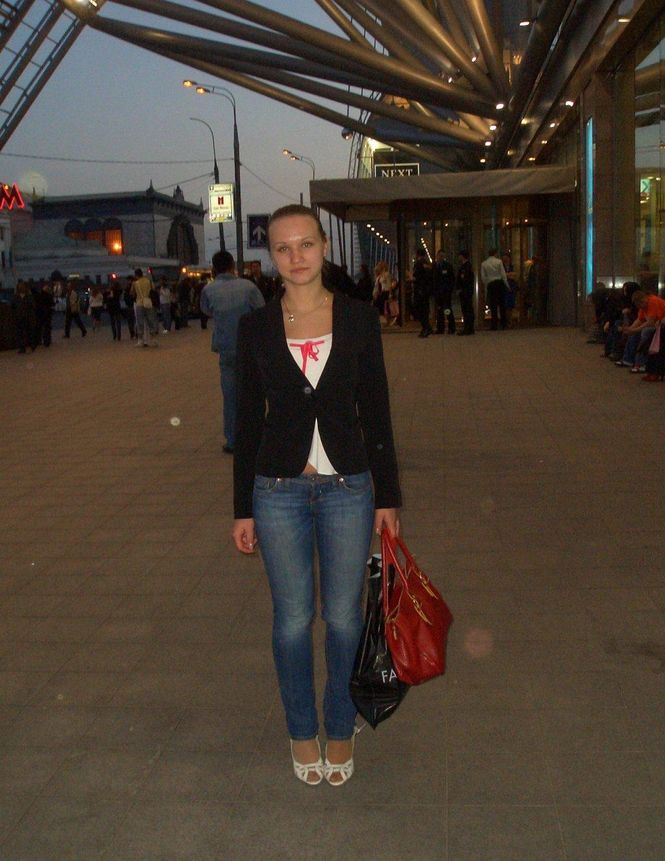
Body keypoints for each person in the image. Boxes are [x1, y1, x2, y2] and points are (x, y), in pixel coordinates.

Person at [232, 204, 401, 787]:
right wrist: (241, 508)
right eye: (283, 247)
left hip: (348, 487)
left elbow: (375, 409)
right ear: (271, 256)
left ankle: (340, 722)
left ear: (324, 246)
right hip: (277, 489)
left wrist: (387, 496)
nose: (296, 256)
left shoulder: (358, 318)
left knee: (345, 619)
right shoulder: (255, 327)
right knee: (292, 620)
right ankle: (301, 730)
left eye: (305, 243)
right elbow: (247, 421)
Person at [200, 250, 264, 454]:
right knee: (252, 394)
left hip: (226, 348)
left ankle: (232, 440)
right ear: (232, 266)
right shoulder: (249, 287)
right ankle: (255, 437)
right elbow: (261, 311)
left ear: (214, 268)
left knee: (230, 396)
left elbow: (206, 310)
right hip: (249, 349)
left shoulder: (208, 290)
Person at [481, 248, 509, 330]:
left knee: (493, 305)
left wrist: (486, 284)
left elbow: (483, 277)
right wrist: (507, 285)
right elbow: (503, 274)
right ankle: (503, 324)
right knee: (502, 304)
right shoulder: (499, 262)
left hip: (491, 284)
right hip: (499, 283)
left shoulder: (484, 263)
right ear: (495, 254)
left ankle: (494, 324)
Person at [132, 268, 158, 347]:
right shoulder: (149, 281)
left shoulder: (135, 283)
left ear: (136, 275)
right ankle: (153, 339)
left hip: (139, 303)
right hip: (148, 302)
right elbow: (153, 289)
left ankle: (140, 340)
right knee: (150, 320)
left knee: (140, 322)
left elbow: (132, 293)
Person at [433, 249, 456, 334]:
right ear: (437, 256)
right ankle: (440, 328)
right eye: (440, 256)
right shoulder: (434, 266)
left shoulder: (448, 266)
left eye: (442, 256)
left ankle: (451, 327)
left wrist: (450, 289)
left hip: (446, 292)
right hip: (438, 292)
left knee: (447, 309)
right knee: (439, 310)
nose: (441, 258)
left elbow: (452, 279)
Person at [412, 248, 433, 338]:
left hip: (420, 290)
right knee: (425, 309)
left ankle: (426, 327)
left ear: (417, 254)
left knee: (420, 310)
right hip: (426, 290)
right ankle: (427, 327)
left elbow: (416, 276)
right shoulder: (427, 263)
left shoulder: (418, 264)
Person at [12, 282, 37, 353]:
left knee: (29, 333)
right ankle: (22, 348)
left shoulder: (29, 296)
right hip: (20, 317)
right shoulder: (16, 297)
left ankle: (32, 346)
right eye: (20, 287)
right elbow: (13, 306)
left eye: (22, 287)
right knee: (20, 333)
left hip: (28, 317)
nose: (21, 288)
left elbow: (33, 306)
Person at [456, 250, 475, 335]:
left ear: (462, 256)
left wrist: (460, 288)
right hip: (466, 291)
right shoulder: (465, 266)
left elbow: (465, 279)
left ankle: (468, 328)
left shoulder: (466, 266)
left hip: (465, 291)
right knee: (467, 309)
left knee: (467, 309)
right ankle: (469, 327)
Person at [36, 282, 55, 347]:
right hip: (48, 314)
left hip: (40, 314)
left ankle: (39, 341)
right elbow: (52, 304)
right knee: (47, 328)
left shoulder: (39, 296)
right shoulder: (49, 296)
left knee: (40, 327)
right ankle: (47, 341)